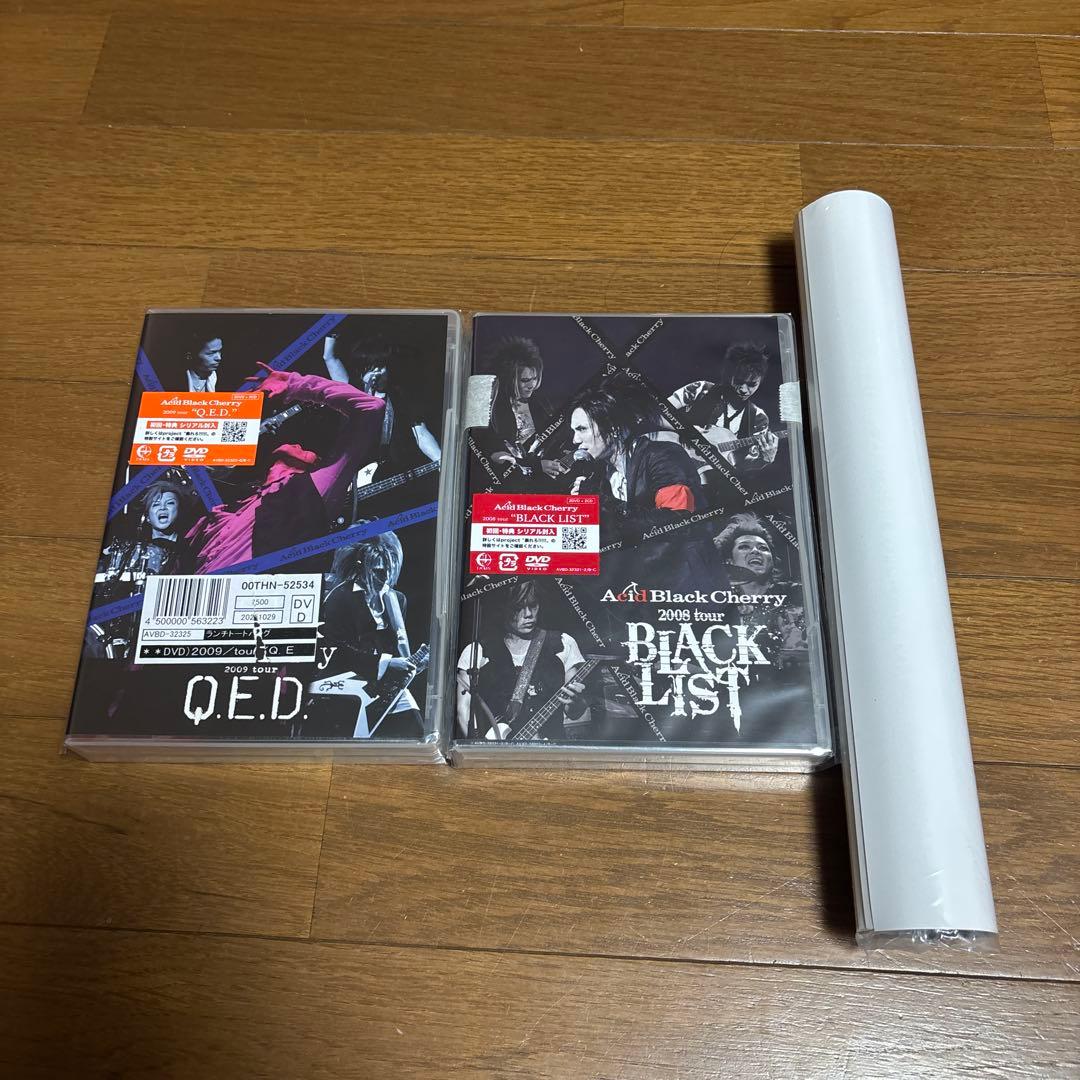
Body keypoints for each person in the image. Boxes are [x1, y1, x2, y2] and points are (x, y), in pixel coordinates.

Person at [184, 364, 384, 574]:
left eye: (307, 443)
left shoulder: (312, 490)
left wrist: (294, 384)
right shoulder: (242, 500)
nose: (295, 445)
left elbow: (371, 408)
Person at [567, 387, 715, 583]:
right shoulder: (601, 475)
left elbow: (677, 523)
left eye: (582, 429)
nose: (575, 440)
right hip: (638, 581)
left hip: (684, 582)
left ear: (612, 428)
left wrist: (602, 504)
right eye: (574, 431)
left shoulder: (663, 456)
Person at [313, 531, 424, 738]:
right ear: (361, 567)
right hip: (344, 682)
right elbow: (337, 648)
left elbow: (396, 648)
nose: (386, 577)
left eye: (390, 570)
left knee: (415, 733)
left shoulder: (397, 599)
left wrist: (414, 663)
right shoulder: (340, 597)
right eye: (378, 571)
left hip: (383, 685)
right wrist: (385, 664)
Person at [456, 581, 590, 741]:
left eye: (533, 605)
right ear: (502, 608)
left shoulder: (563, 643)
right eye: (518, 607)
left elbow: (574, 713)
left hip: (549, 749)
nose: (528, 614)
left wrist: (576, 702)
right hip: (495, 750)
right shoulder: (477, 652)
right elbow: (463, 712)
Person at [88, 479, 192, 658]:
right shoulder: (128, 550)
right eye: (155, 504)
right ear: (147, 516)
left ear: (180, 511)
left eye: (170, 503)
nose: (162, 508)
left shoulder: (190, 550)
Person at [322, 334, 441, 484]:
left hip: (386, 473)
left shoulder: (399, 397)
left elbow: (421, 433)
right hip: (349, 473)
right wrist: (331, 330)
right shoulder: (353, 391)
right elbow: (329, 358)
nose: (376, 373)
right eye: (369, 369)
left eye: (380, 367)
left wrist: (439, 459)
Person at [668, 341, 779, 473]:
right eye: (739, 381)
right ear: (730, 375)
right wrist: (687, 429)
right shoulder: (701, 389)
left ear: (760, 381)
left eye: (752, 384)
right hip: (670, 456)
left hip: (703, 478)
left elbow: (741, 465)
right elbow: (656, 412)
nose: (744, 390)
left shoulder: (759, 419)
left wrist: (766, 459)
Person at [483, 337, 566, 481]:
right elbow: (497, 457)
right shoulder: (493, 408)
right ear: (509, 379)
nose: (531, 385)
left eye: (534, 378)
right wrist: (535, 466)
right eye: (525, 380)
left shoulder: (540, 402)